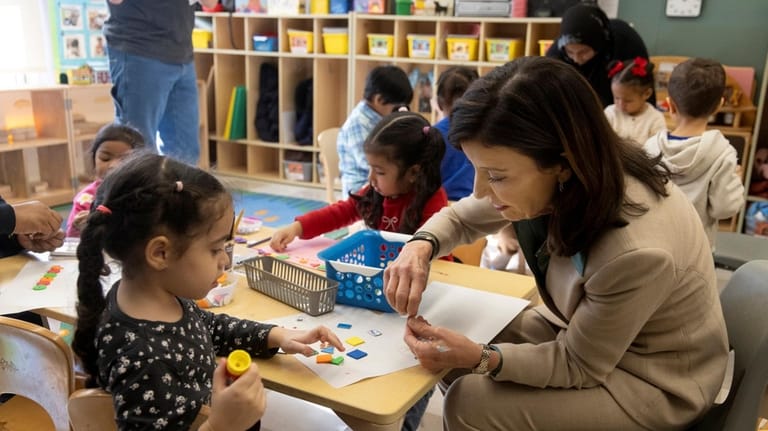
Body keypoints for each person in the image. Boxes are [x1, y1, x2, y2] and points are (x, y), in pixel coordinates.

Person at [383, 57, 728, 430]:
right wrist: (419, 246)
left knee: (470, 401)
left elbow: (578, 364)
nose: (481, 190)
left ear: (561, 163)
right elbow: (462, 216)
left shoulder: (634, 252)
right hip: (597, 338)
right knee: (458, 331)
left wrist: (483, 358)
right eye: (477, 170)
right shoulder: (573, 173)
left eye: (496, 176)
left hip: (656, 380)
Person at [72, 152, 344, 430]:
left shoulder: (158, 296)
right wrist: (221, 425)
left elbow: (208, 327)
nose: (225, 260)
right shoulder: (144, 360)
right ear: (160, 253)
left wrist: (277, 336)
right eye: (215, 249)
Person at [271, 111, 448, 252]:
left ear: (413, 173)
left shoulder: (432, 202)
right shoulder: (376, 193)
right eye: (370, 168)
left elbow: (441, 261)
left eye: (379, 172)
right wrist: (296, 228)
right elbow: (340, 213)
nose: (371, 179)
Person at [644, 58, 744, 251]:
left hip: (653, 244)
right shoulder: (722, 153)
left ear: (670, 105)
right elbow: (725, 208)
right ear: (718, 106)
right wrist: (736, 182)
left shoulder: (650, 147)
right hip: (697, 251)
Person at [102, 0, 218, 165]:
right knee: (137, 150)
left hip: (181, 53)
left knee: (186, 153)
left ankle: (175, 191)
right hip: (139, 50)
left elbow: (211, 3)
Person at [546, 4, 654, 108]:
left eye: (583, 52)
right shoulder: (557, 52)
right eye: (570, 52)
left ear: (598, 45)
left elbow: (642, 89)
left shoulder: (625, 43)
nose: (576, 59)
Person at [338, 65, 413, 196]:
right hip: (360, 190)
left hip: (381, 182)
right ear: (378, 100)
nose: (398, 110)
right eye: (396, 106)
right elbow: (371, 164)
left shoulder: (380, 118)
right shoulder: (358, 124)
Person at [65, 123, 145, 238]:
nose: (113, 165)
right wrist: (79, 227)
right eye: (105, 158)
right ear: (94, 159)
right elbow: (71, 240)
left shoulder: (145, 194)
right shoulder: (86, 198)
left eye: (125, 160)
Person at [433, 66, 478, 201]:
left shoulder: (432, 134)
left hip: (438, 207)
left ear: (439, 104)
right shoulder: (486, 133)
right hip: (476, 206)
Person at [604, 57, 667, 146]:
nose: (621, 105)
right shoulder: (610, 113)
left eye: (628, 101)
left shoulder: (655, 119)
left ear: (647, 94)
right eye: (617, 98)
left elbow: (658, 149)